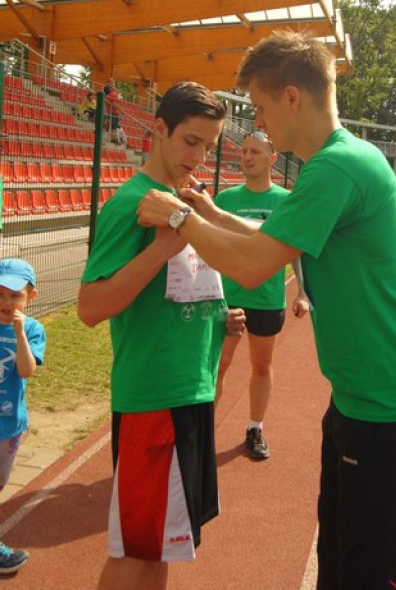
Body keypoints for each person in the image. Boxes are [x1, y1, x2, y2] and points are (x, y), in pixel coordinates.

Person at [136, 31, 396, 590]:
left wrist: (182, 219)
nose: (256, 123)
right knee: (341, 559)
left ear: (291, 97)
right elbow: (272, 234)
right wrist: (212, 213)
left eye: (258, 107)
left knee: (365, 574)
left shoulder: (335, 168)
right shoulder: (342, 160)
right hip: (364, 399)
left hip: (389, 408)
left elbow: (256, 265)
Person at [77, 82, 246, 590]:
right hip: (155, 398)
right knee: (136, 553)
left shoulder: (183, 202)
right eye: (191, 142)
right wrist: (160, 249)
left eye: (209, 147)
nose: (199, 157)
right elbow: (91, 307)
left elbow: (179, 291)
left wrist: (219, 320)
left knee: (165, 546)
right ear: (158, 129)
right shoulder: (133, 203)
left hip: (187, 392)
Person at [214, 129, 309, 459]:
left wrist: (301, 292)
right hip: (229, 297)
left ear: (272, 159)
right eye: (244, 151)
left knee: (261, 366)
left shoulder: (285, 201)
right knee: (219, 364)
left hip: (267, 299)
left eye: (255, 152)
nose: (247, 156)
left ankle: (255, 428)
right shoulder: (225, 200)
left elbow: (296, 249)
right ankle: (203, 433)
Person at [0, 259, 46, 574]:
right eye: (0, 294)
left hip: (9, 425)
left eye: (14, 295)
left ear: (31, 296)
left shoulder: (32, 329)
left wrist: (19, 332)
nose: (6, 302)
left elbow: (26, 369)